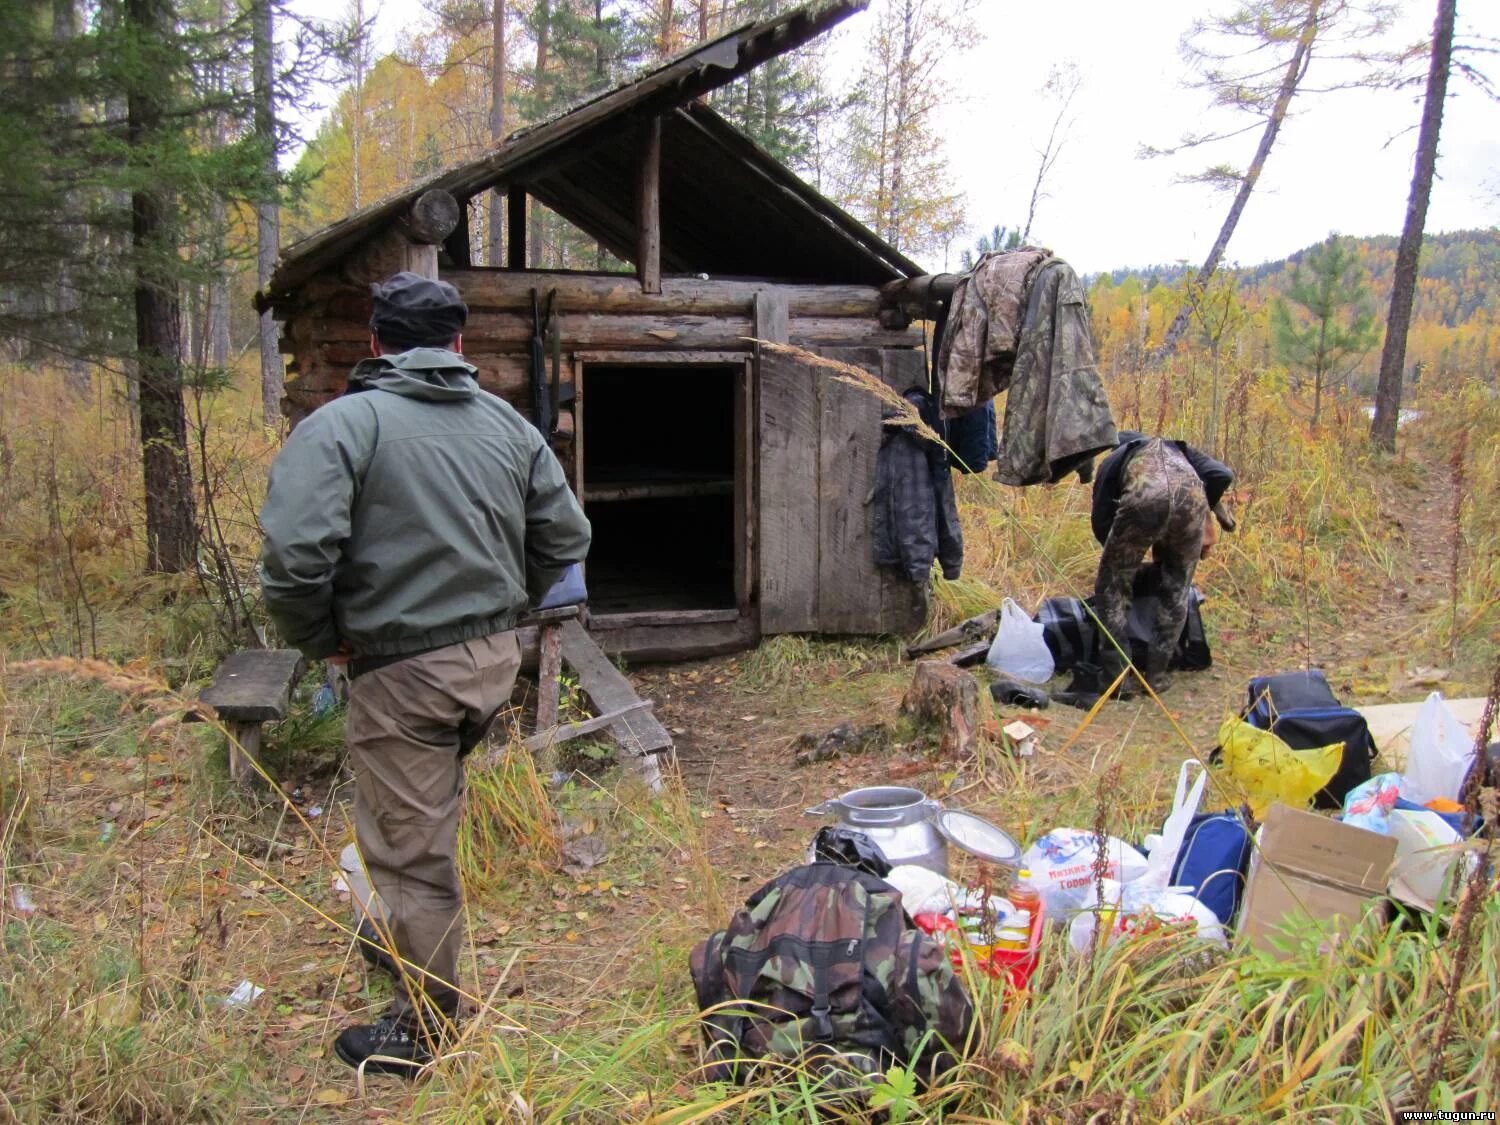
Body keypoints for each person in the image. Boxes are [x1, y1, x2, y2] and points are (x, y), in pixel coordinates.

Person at [259, 271, 591, 1075]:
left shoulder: (345, 425)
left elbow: (294, 559)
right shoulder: (508, 427)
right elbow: (565, 535)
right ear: (460, 344)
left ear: (376, 344)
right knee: (421, 815)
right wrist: (506, 603)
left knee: (411, 851)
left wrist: (322, 639)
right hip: (488, 661)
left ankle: (427, 1026)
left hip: (404, 670)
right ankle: (402, 937)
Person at [1080, 431, 1234, 699]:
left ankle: (1118, 680)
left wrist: (1124, 562)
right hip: (1192, 501)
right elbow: (1221, 474)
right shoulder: (1181, 450)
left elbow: (1101, 519)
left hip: (1145, 497)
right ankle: (1157, 677)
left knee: (1112, 588)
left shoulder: (1116, 458)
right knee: (1176, 589)